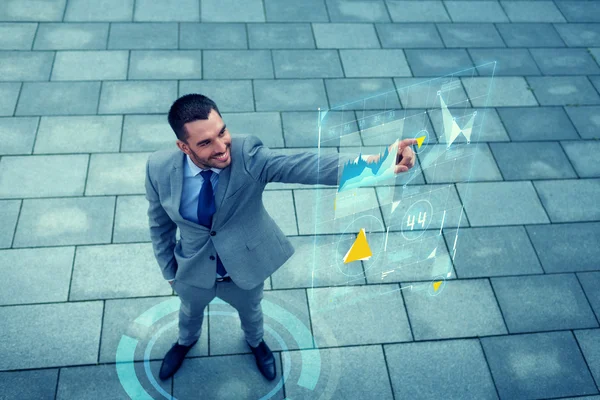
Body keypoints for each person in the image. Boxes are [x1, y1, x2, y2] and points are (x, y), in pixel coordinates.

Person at [144, 94, 417, 382]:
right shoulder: (159, 168)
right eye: (205, 142)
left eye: (222, 132)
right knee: (188, 313)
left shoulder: (248, 155)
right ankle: (185, 342)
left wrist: (378, 163)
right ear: (183, 147)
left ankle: (256, 343)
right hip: (192, 270)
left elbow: (306, 165)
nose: (222, 146)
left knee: (252, 313)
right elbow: (158, 225)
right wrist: (170, 273)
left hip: (244, 268)